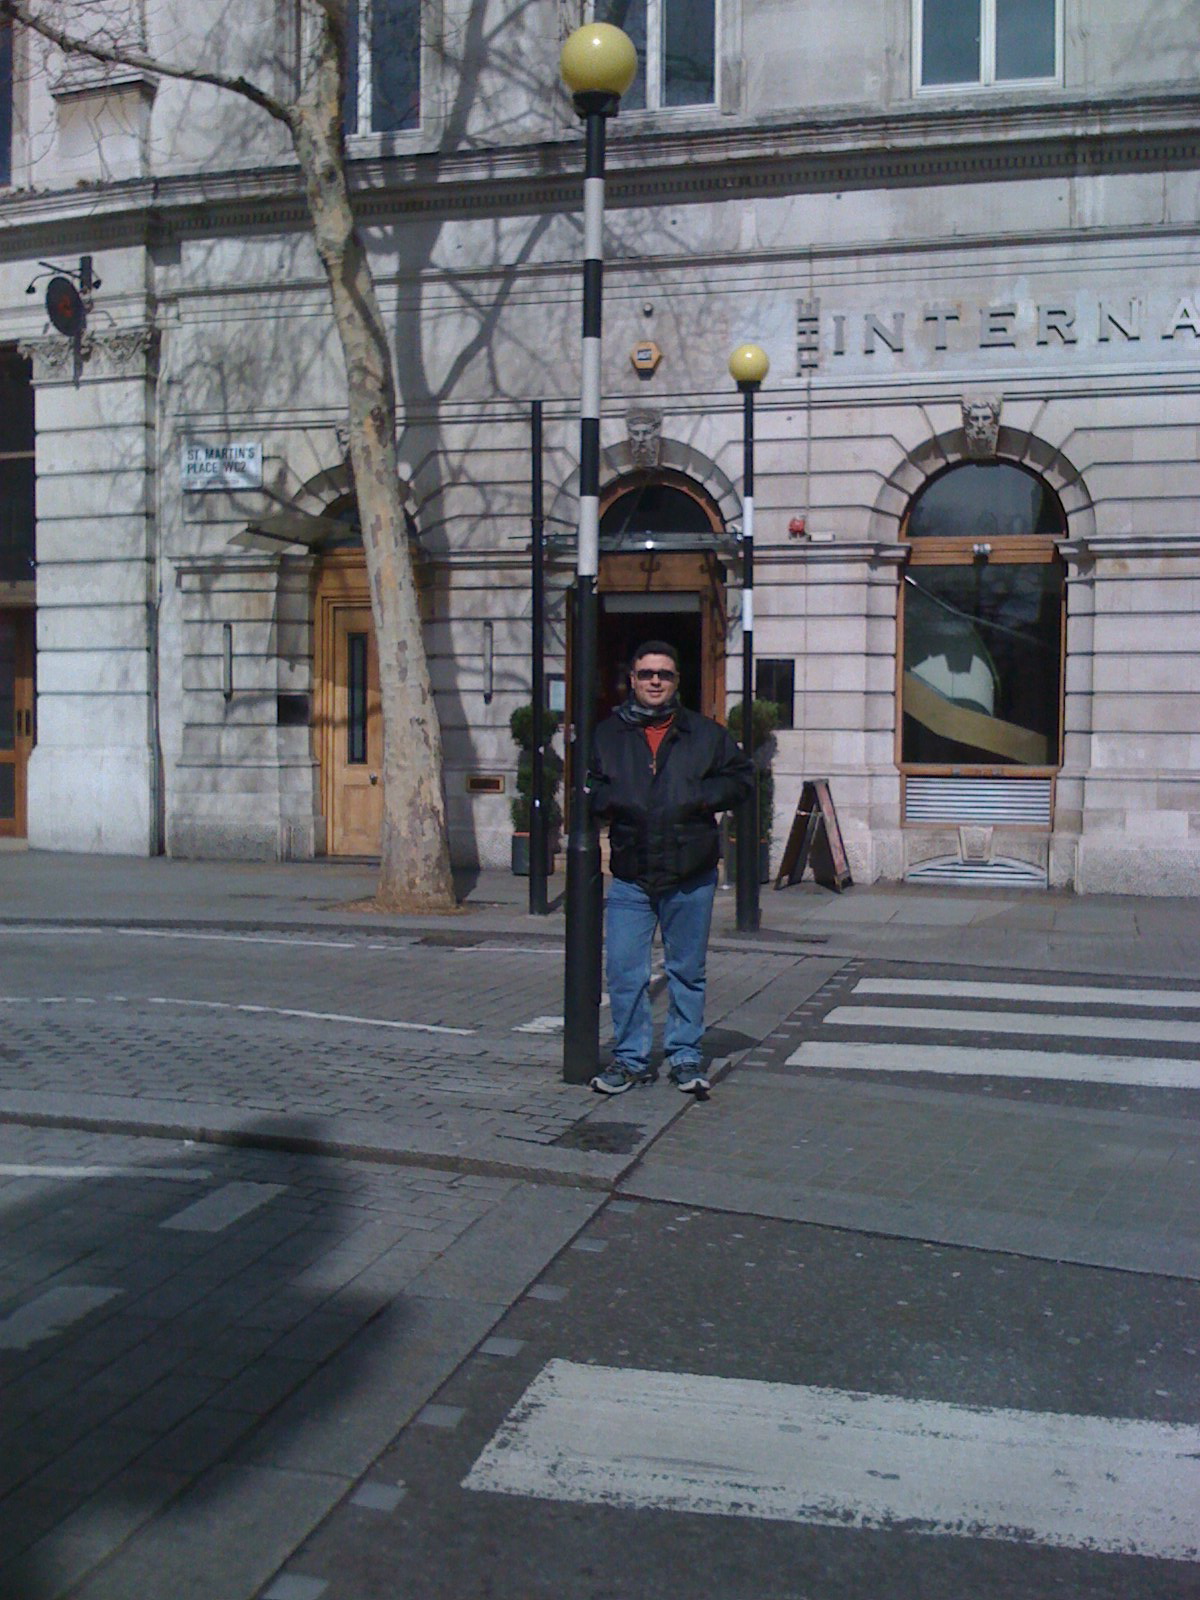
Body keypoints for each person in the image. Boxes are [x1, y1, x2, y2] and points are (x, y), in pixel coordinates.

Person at [587, 640, 755, 1095]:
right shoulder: (608, 734)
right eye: (646, 674)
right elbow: (589, 787)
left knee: (686, 971)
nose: (655, 681)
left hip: (690, 873)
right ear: (632, 680)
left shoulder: (705, 734)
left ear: (677, 681)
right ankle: (630, 1058)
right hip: (632, 874)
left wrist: (699, 797)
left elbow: (741, 779)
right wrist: (615, 801)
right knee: (625, 972)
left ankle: (684, 1056)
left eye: (664, 674)